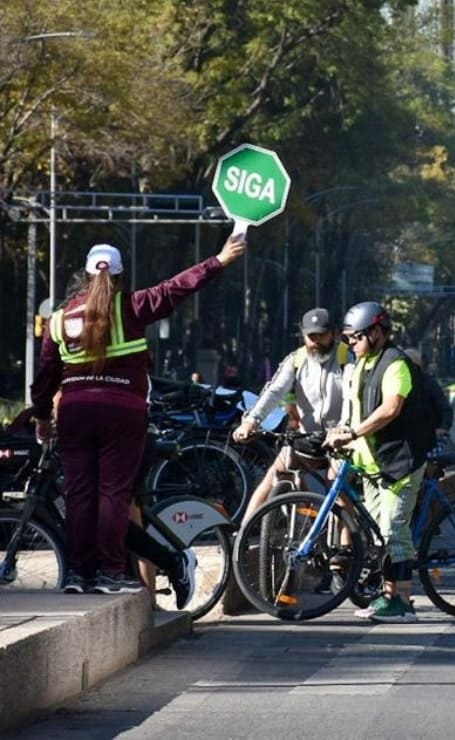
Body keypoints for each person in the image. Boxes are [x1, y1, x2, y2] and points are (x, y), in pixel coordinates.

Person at [31, 234, 246, 594]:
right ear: (119, 276)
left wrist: (40, 417)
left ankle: (77, 575)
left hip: (75, 413)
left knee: (79, 494)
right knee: (114, 494)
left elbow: (45, 378)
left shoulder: (57, 321)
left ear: (84, 276)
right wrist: (220, 259)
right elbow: (177, 287)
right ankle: (110, 573)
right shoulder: (133, 306)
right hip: (123, 414)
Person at [325, 302, 434, 623]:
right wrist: (341, 433)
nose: (351, 345)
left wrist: (354, 432)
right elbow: (354, 407)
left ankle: (403, 601)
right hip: (372, 465)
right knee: (379, 535)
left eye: (355, 338)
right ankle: (387, 596)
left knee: (394, 530)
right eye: (347, 340)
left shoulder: (395, 364)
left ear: (376, 332)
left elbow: (390, 408)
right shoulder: (362, 363)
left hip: (400, 461)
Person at [233, 308, 346, 521]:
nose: (316, 341)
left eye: (321, 335)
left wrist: (345, 429)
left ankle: (346, 548)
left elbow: (354, 398)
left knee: (335, 486)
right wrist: (251, 421)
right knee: (272, 477)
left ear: (334, 333)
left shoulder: (348, 358)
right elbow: (274, 391)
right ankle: (242, 536)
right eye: (311, 336)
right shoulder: (297, 359)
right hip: (308, 437)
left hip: (342, 440)